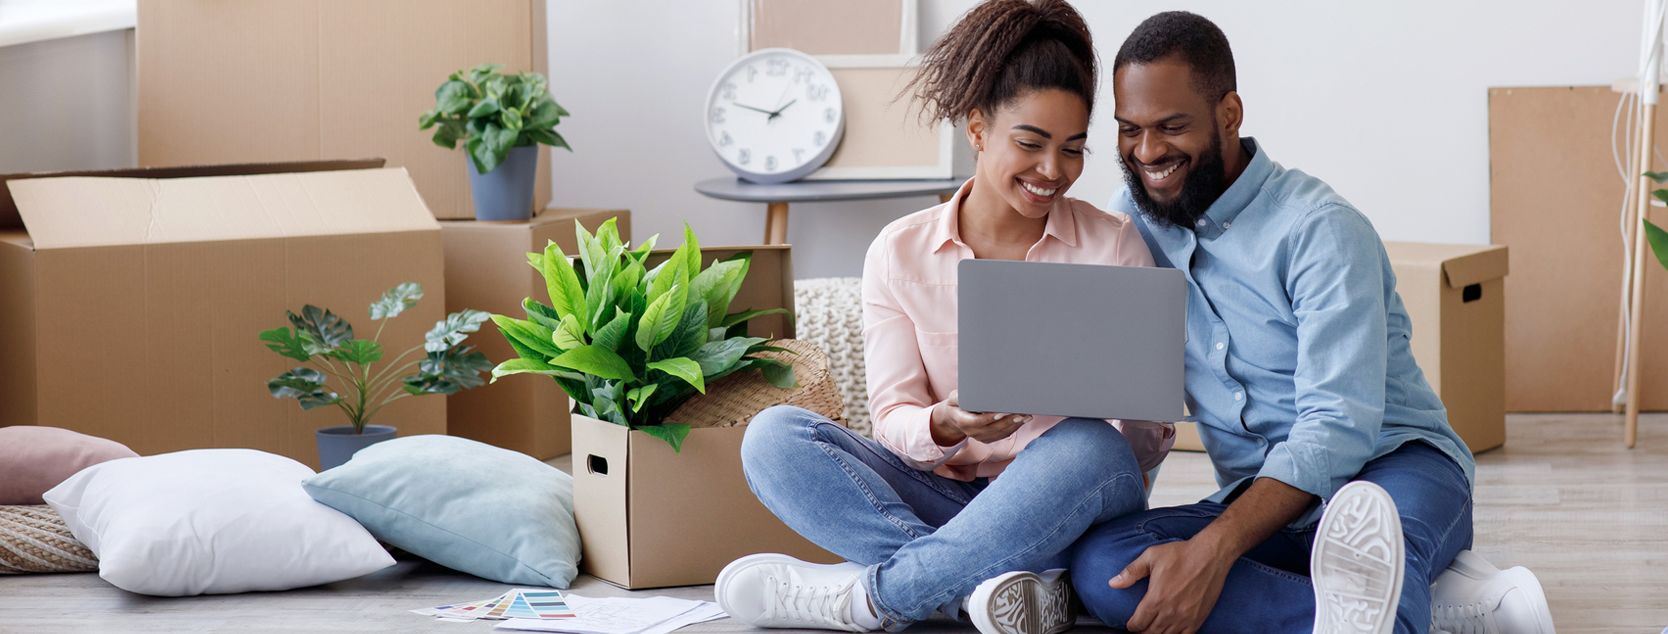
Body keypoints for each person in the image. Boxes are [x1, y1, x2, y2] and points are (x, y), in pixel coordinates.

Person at [1068, 11, 1557, 634]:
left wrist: (1214, 553)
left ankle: (1386, 594)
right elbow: (1126, 387)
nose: (1147, 152)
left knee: (1373, 553)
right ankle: (1421, 608)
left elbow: (1339, 427)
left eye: (1171, 127)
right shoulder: (1132, 225)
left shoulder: (1319, 229)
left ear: (1229, 114)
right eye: (1130, 130)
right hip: (1263, 503)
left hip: (1392, 469)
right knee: (1106, 568)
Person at [712, 2, 1172, 633]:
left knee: (1090, 445)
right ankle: (983, 589)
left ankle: (877, 598)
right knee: (773, 437)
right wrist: (949, 423)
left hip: (1072, 504)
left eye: (1071, 150)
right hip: (944, 502)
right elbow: (893, 417)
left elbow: (1140, 440)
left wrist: (1137, 413)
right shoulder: (898, 251)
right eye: (1030, 143)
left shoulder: (1113, 245)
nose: (1052, 172)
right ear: (978, 128)